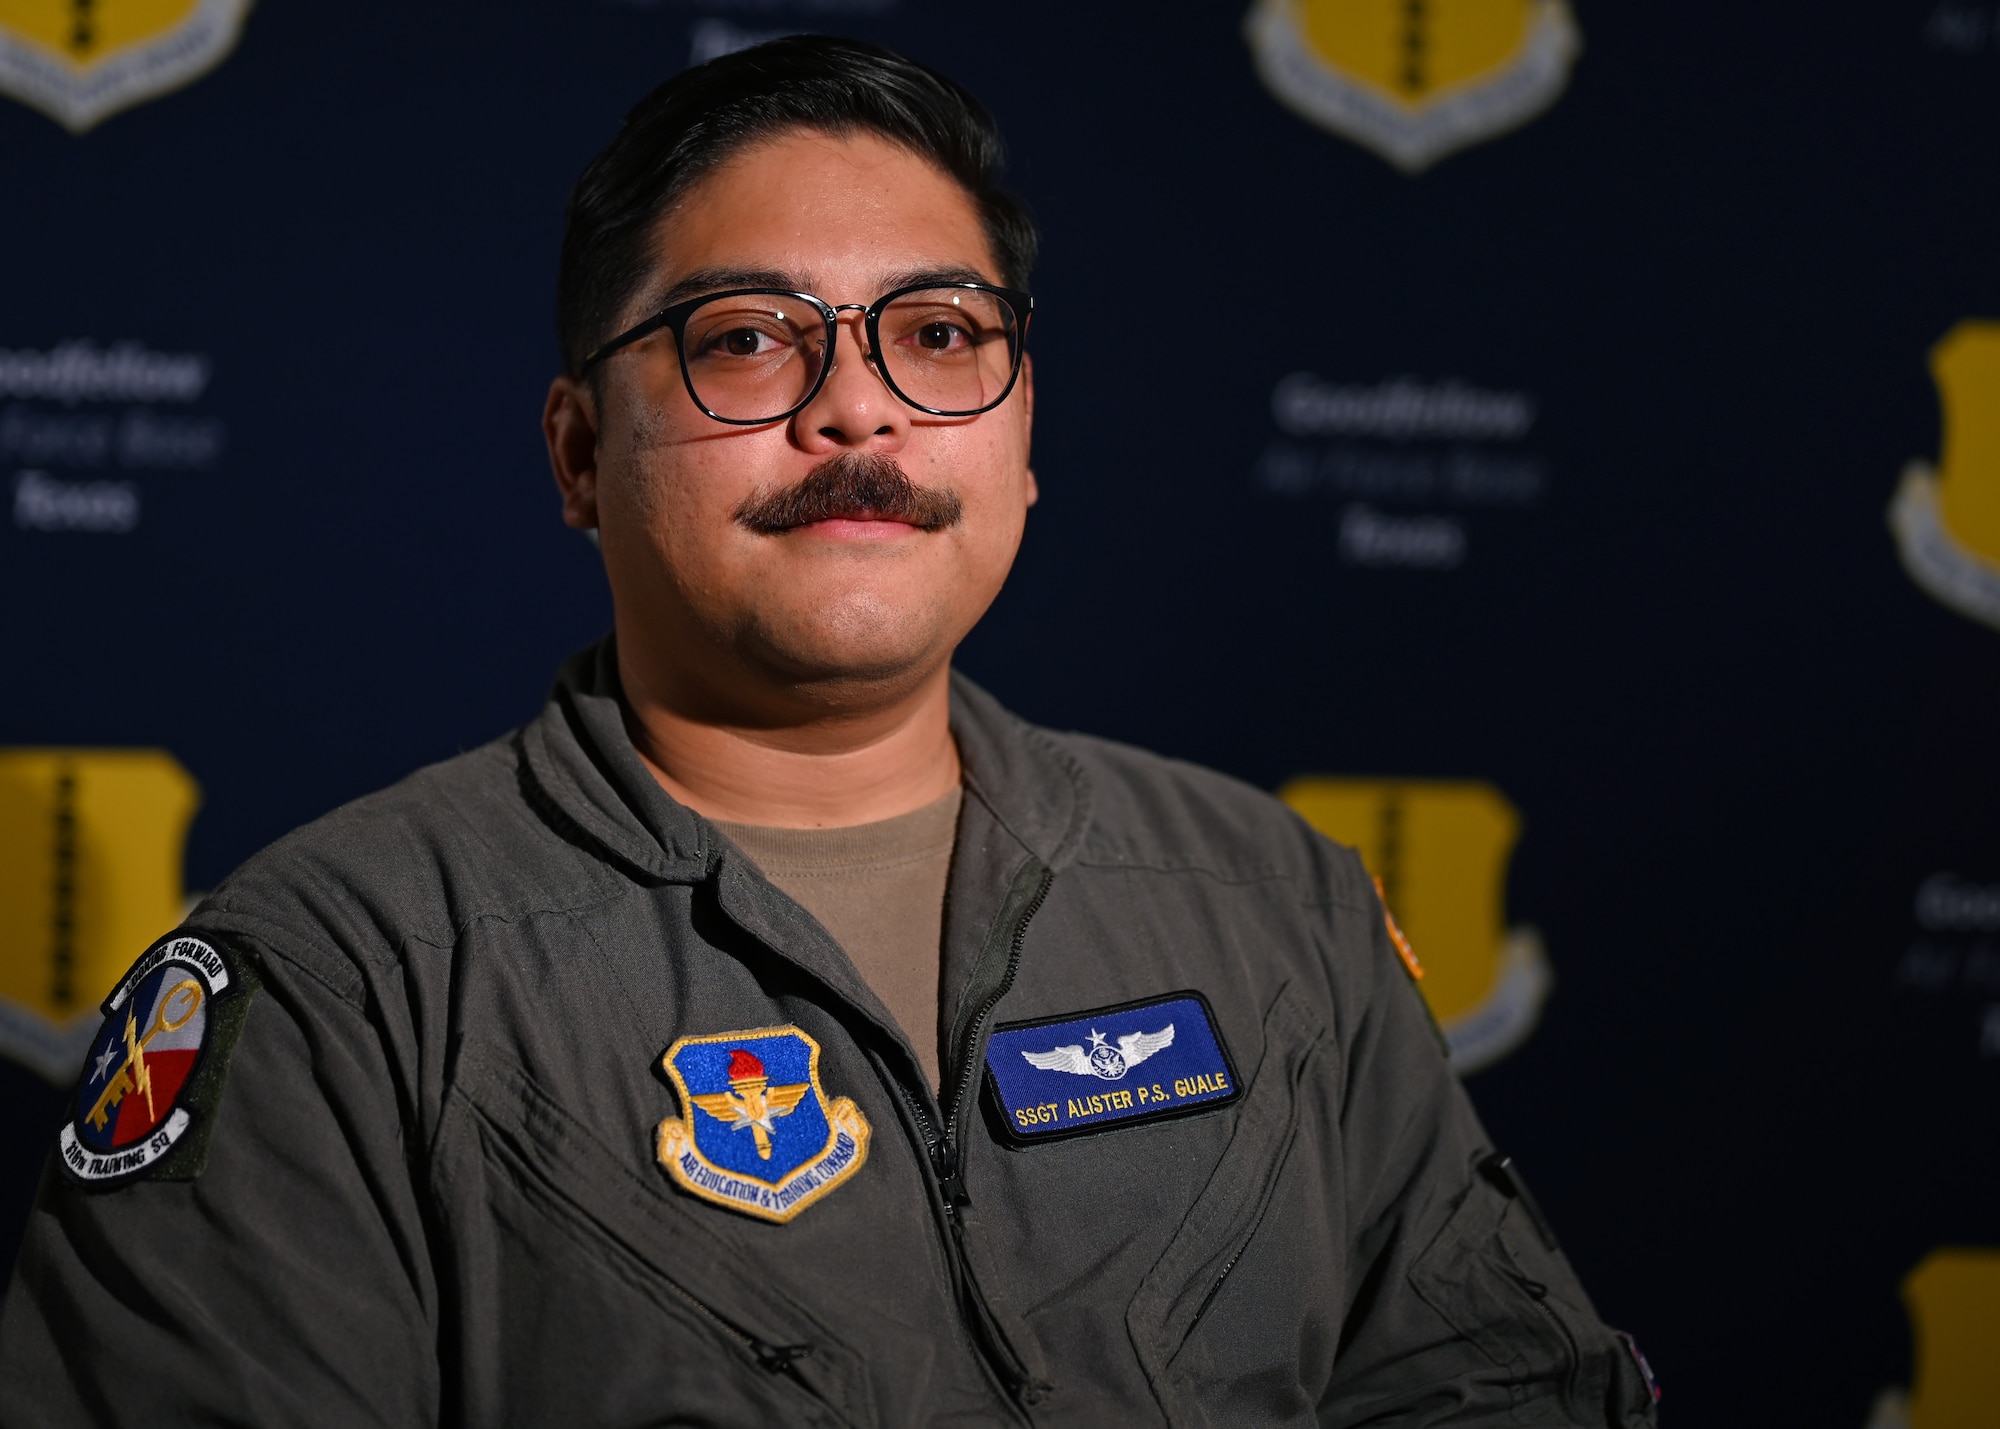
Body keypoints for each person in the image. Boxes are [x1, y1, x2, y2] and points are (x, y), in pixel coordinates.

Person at [0, 37, 1659, 1427]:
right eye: (747, 340)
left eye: (940, 335)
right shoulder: (341, 979)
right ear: (578, 455)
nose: (856, 406)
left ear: (1020, 444)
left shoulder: (1268, 902)